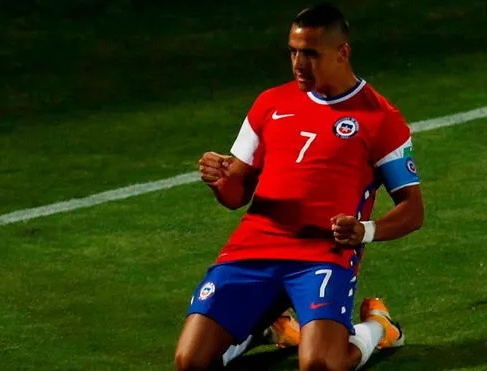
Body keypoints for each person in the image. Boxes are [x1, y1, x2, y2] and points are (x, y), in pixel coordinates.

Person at [176, 3, 424, 370]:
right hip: (252, 251)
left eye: (310, 53)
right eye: (293, 51)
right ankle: (265, 327)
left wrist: (365, 231)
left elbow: (413, 210)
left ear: (343, 52)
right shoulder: (270, 103)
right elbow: (236, 196)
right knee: (190, 362)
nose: (298, 63)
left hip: (321, 257)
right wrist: (220, 180)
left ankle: (377, 327)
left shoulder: (381, 118)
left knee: (322, 365)